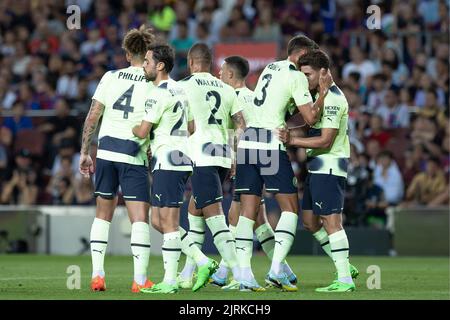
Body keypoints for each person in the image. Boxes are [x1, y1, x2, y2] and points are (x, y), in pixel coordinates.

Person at [234, 35, 330, 292]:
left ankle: (244, 276)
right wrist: (322, 91)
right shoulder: (297, 76)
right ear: (301, 53)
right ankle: (276, 269)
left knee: (248, 211)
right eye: (308, 56)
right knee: (290, 208)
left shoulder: (270, 67)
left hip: (248, 142)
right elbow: (310, 118)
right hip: (269, 143)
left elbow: (282, 111)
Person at [131, 44, 216, 294]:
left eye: (147, 61)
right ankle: (202, 260)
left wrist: (132, 129)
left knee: (167, 222)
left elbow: (143, 131)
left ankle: (169, 281)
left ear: (160, 65)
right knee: (158, 220)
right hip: (179, 157)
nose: (144, 65)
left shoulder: (157, 93)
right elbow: (191, 127)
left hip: (168, 160)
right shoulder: (180, 88)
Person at [78, 26, 155, 293]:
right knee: (139, 218)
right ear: (147, 54)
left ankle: (97, 275)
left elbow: (92, 116)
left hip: (107, 152)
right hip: (133, 152)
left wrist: (85, 152)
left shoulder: (110, 77)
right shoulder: (152, 80)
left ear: (126, 53)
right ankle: (139, 279)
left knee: (102, 215)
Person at [209, 55, 296, 288]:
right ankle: (283, 269)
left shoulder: (233, 98)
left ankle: (232, 272)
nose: (218, 74)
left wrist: (237, 159)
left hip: (249, 158)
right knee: (256, 218)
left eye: (222, 70)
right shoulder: (253, 96)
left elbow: (243, 131)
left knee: (239, 217)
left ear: (230, 74)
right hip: (259, 155)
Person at [277, 49, 358, 292]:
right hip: (317, 167)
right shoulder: (320, 96)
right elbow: (312, 123)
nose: (305, 80)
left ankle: (344, 279)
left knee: (331, 221)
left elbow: (325, 140)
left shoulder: (333, 99)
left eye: (308, 75)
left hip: (330, 164)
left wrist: (292, 140)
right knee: (311, 222)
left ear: (324, 72)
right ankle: (341, 262)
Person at [176, 43, 246, 290]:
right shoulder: (227, 90)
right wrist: (235, 155)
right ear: (210, 63)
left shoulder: (182, 86)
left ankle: (239, 274)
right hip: (223, 157)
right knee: (194, 211)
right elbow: (240, 125)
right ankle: (186, 274)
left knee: (214, 215)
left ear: (191, 62)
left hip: (201, 155)